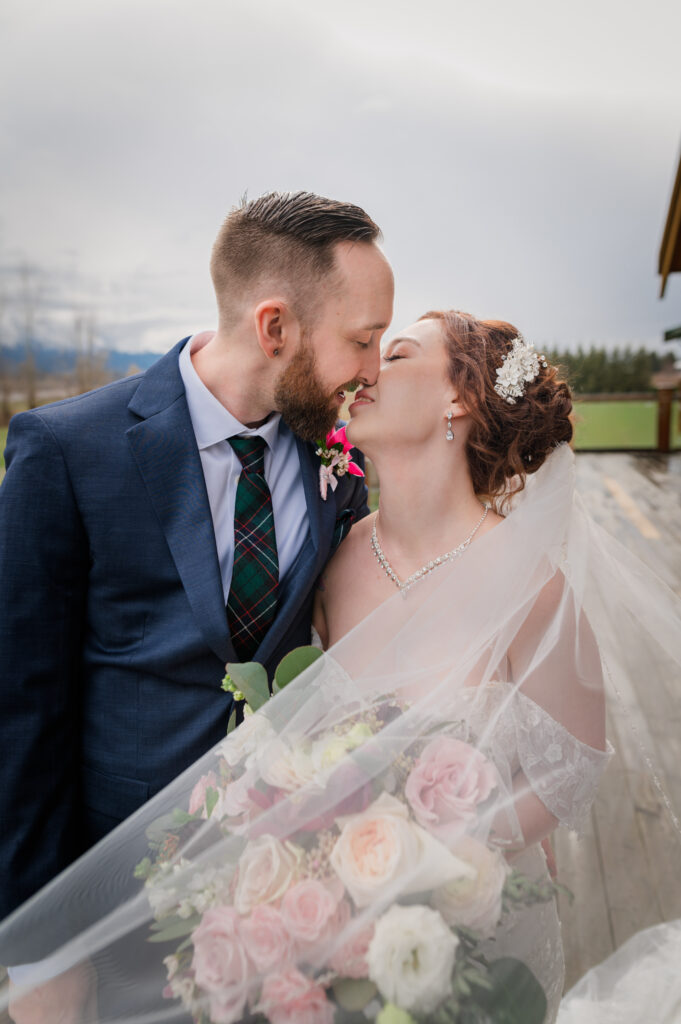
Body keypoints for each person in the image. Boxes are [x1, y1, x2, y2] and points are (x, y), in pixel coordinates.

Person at [2, 309, 680, 1024]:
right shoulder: (330, 561)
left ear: (459, 397)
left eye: (397, 354)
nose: (365, 372)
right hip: (330, 929)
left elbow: (569, 764)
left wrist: (438, 855)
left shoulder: (531, 584)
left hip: (479, 921)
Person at [0, 190, 394, 944]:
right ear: (274, 326)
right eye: (362, 340)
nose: (370, 372)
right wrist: (35, 951)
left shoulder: (337, 464)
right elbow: (19, 709)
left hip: (284, 885)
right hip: (106, 893)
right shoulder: (68, 452)